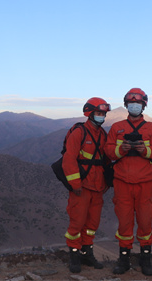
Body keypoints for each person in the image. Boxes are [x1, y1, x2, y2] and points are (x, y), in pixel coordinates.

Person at [105, 88, 152, 276]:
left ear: (143, 105)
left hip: (146, 183)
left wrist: (144, 150)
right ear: (126, 105)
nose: (134, 105)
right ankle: (124, 260)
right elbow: (108, 151)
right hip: (122, 182)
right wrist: (121, 149)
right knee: (124, 223)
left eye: (138, 103)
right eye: (131, 103)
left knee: (145, 222)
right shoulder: (116, 127)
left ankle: (145, 259)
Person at [62, 97, 111, 273]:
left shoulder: (103, 134)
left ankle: (87, 253)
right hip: (81, 188)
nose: (101, 116)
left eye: (103, 113)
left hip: (98, 188)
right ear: (89, 113)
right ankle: (74, 255)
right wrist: (75, 184)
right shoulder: (79, 132)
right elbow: (69, 159)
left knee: (92, 224)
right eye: (98, 113)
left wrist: (107, 182)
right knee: (77, 222)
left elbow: (105, 160)